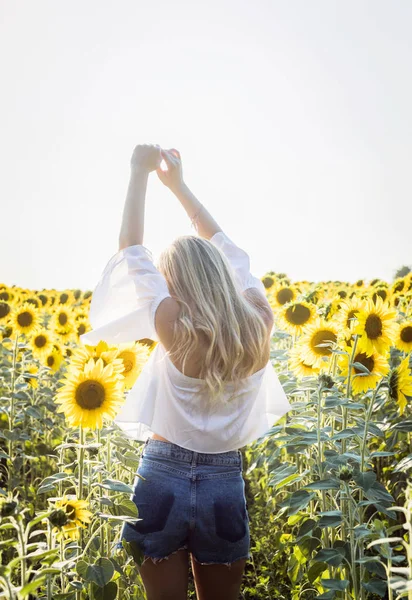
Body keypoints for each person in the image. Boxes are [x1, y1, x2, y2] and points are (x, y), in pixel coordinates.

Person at [80, 144, 292, 600]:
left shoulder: (173, 324)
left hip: (161, 476)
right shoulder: (258, 321)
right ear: (220, 274)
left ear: (173, 282)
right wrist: (179, 187)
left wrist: (138, 173)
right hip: (224, 483)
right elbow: (228, 248)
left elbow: (131, 249)